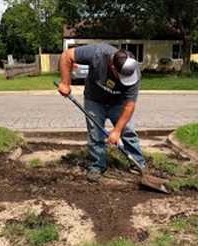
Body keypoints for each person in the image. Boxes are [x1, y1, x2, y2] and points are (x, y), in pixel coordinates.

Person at [58, 43, 145, 182]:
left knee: (127, 131)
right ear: (112, 67)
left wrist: (116, 131)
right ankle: (97, 166)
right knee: (95, 134)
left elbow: (129, 106)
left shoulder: (134, 73)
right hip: (94, 100)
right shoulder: (97, 53)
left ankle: (138, 163)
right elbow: (66, 56)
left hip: (118, 103)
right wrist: (65, 83)